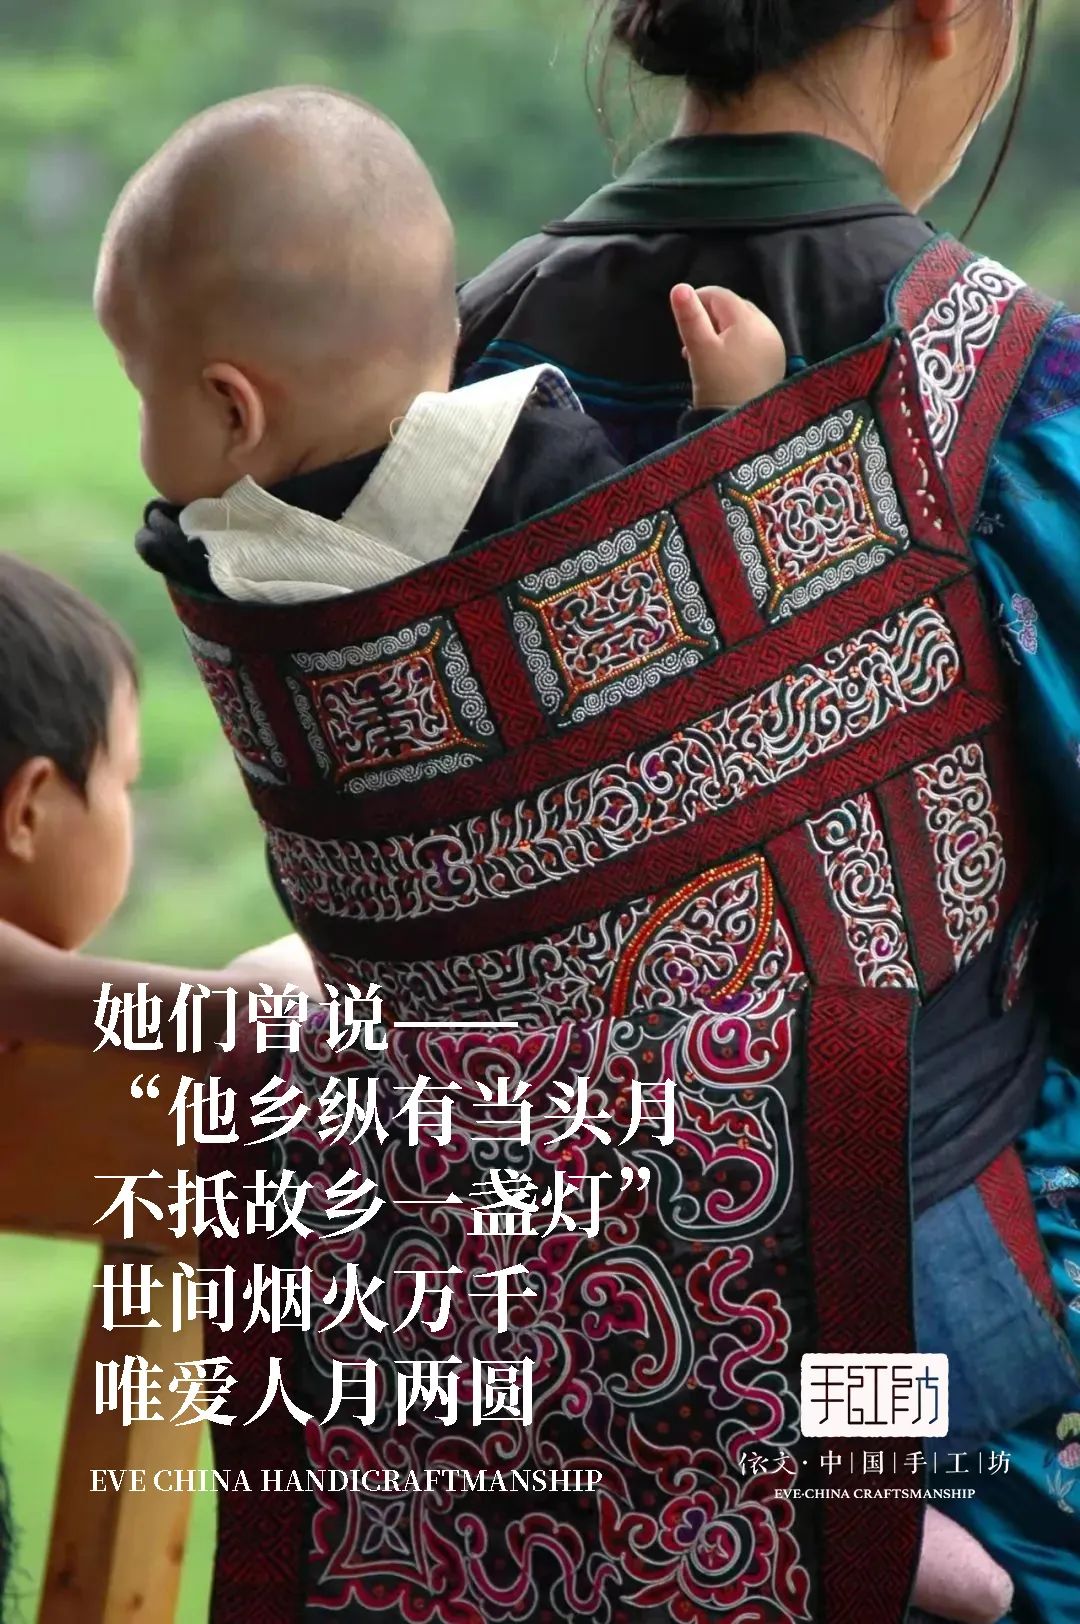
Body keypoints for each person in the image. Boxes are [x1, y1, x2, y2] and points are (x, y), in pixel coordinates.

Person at [455, 1, 1080, 1620]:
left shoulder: (447, 362)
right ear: (950, 15)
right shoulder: (1011, 391)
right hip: (935, 1339)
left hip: (536, 1343)